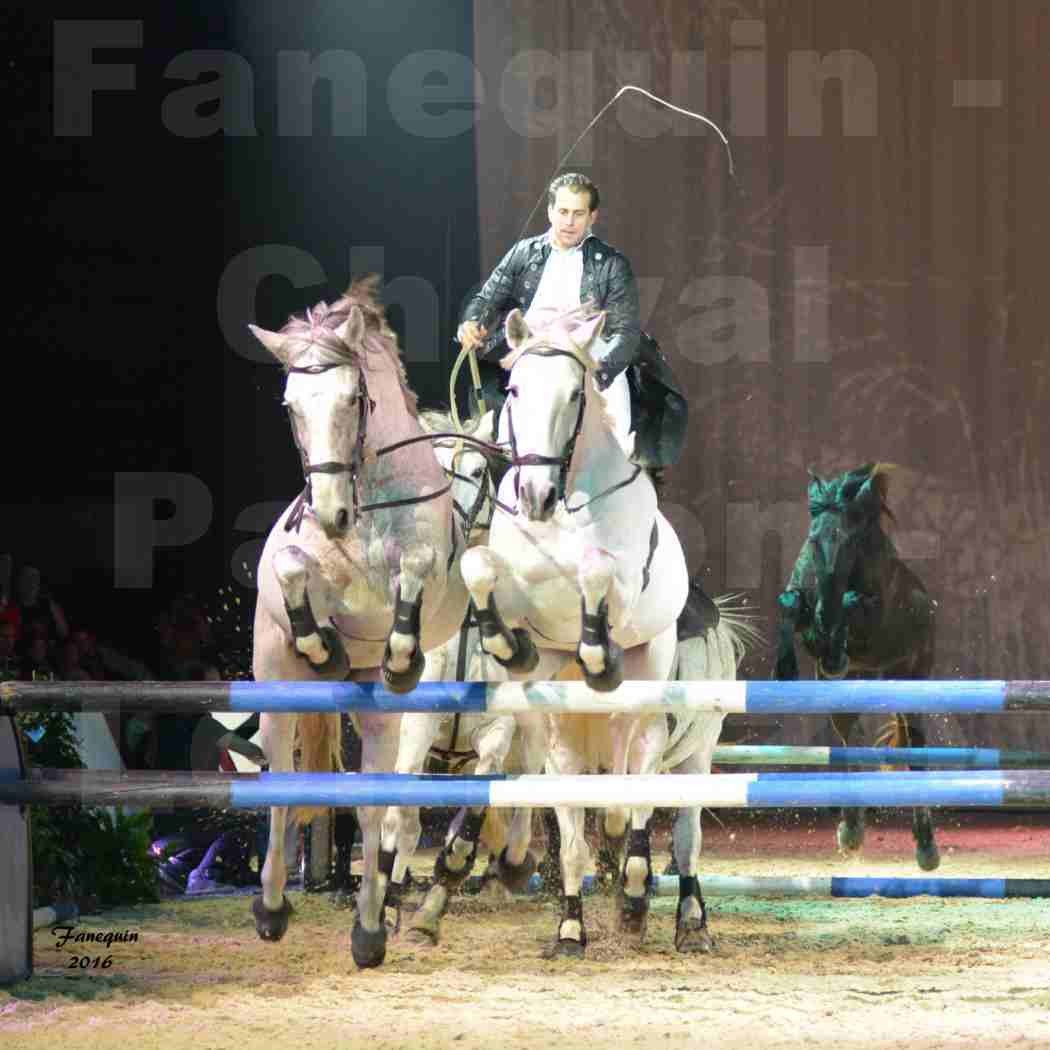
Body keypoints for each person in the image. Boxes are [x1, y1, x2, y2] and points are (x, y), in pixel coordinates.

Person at [457, 172, 687, 473]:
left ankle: (616, 467)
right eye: (563, 212)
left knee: (615, 420)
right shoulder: (523, 253)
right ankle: (506, 474)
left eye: (578, 213)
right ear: (550, 211)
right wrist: (472, 322)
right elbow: (487, 299)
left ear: (592, 216)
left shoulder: (612, 264)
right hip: (533, 354)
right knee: (500, 433)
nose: (569, 222)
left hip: (589, 355)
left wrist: (597, 372)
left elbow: (625, 333)